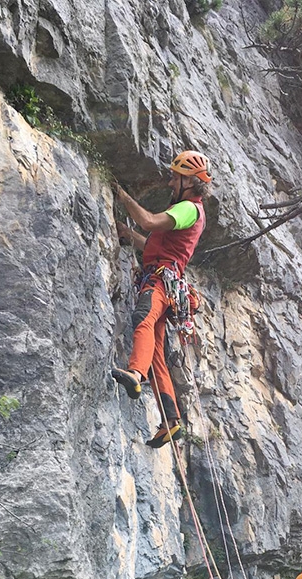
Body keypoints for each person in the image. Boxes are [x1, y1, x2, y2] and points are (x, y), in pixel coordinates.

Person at [111, 150, 211, 448]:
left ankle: (134, 374)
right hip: (167, 281)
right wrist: (126, 233)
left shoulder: (189, 208)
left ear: (190, 182)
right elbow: (152, 242)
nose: (170, 183)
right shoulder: (189, 211)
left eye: (176, 178)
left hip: (160, 282)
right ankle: (171, 421)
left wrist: (120, 193)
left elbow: (150, 222)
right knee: (156, 356)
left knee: (143, 317)